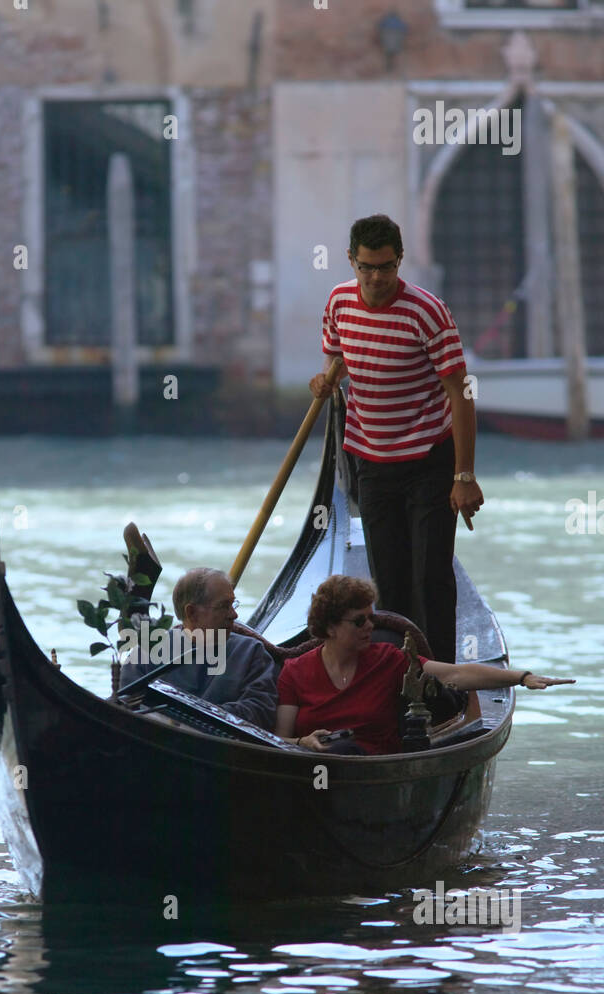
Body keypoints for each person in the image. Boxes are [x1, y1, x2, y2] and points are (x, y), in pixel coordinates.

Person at [309, 213, 484, 664]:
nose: (376, 278)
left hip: (430, 458)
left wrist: (464, 476)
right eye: (366, 267)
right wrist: (325, 381)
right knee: (388, 580)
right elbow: (339, 359)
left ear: (400, 261)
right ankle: (400, 675)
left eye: (386, 267)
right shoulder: (338, 302)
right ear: (351, 261)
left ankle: (441, 675)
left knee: (431, 577)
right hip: (371, 460)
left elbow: (461, 393)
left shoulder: (428, 312)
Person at [275, 576, 574, 755]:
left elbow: (456, 673)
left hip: (378, 776)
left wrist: (521, 677)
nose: (370, 626)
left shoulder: (389, 660)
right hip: (315, 773)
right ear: (330, 627)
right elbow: (278, 740)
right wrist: (303, 742)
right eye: (359, 620)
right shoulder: (295, 672)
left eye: (372, 618)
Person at [119, 567, 278, 730]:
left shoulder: (251, 652)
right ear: (192, 613)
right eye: (224, 606)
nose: (234, 615)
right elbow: (124, 707)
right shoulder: (148, 650)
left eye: (233, 604)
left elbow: (260, 714)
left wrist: (186, 716)